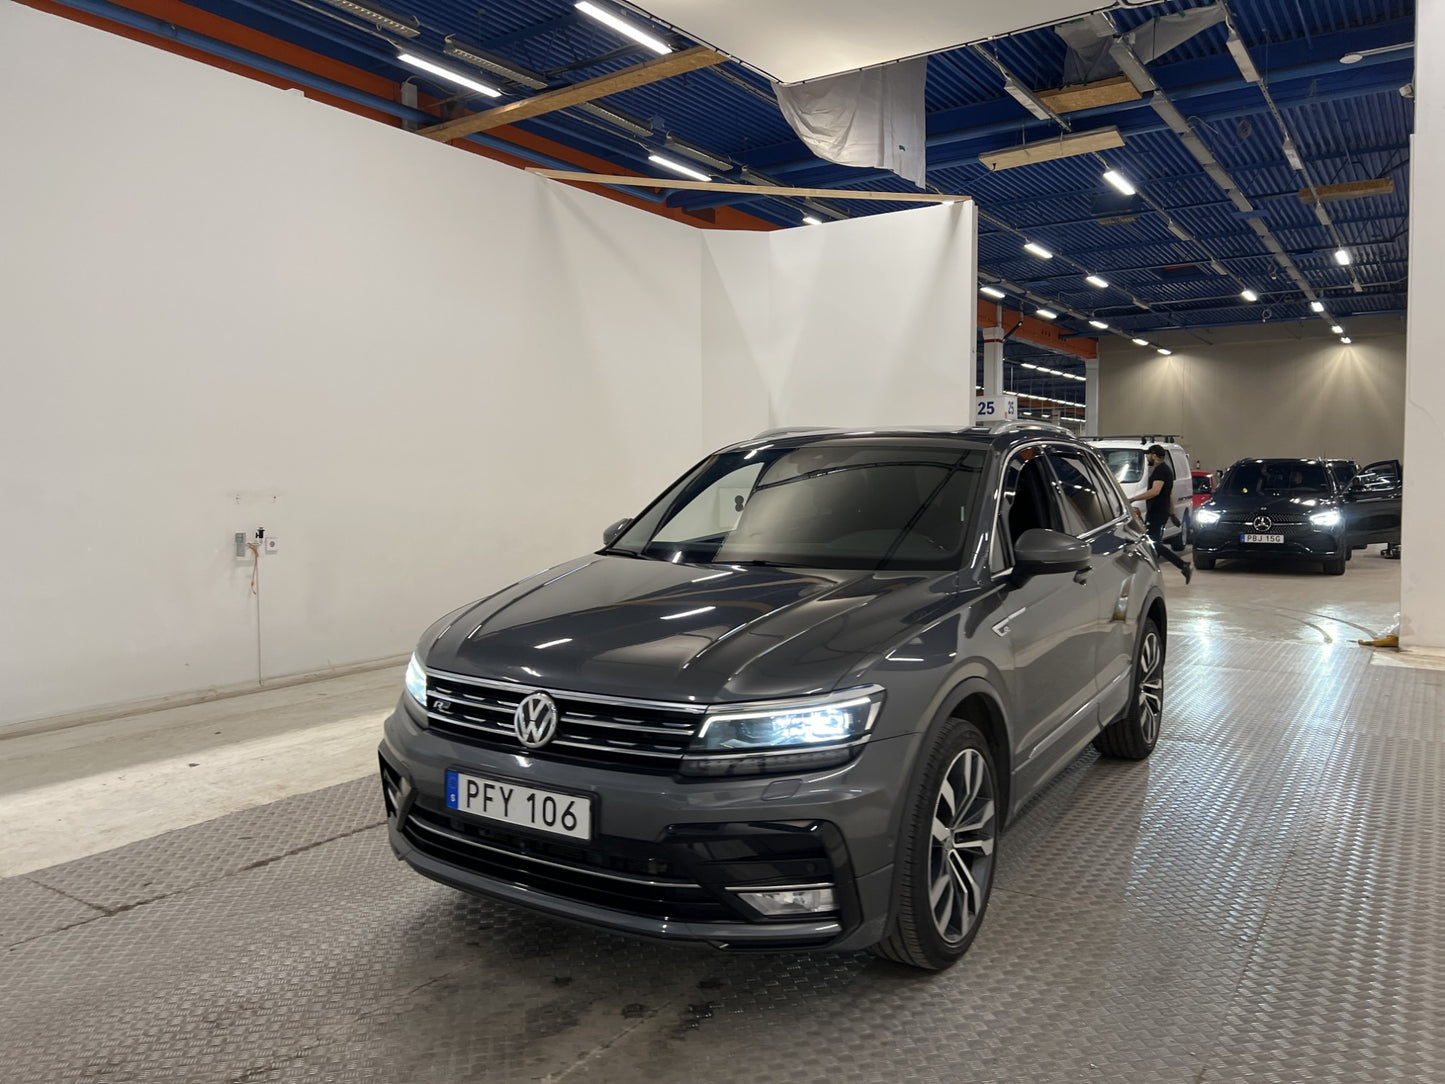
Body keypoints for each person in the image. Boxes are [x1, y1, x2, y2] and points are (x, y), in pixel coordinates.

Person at [1129, 444, 1191, 584]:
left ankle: (1182, 565)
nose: (1147, 457)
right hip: (1161, 512)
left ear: (1154, 455)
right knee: (1152, 544)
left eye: (1148, 455)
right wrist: (1172, 514)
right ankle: (1151, 574)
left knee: (1152, 543)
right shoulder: (1165, 470)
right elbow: (1169, 494)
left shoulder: (1160, 471)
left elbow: (1155, 491)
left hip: (1156, 512)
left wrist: (1133, 498)